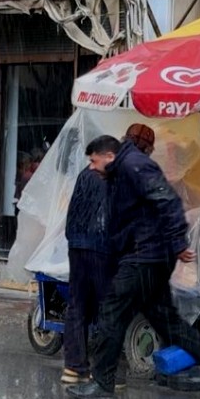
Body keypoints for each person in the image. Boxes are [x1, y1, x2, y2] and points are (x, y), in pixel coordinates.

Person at [67, 123, 200, 399]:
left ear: (109, 156)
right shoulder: (123, 170)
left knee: (111, 312)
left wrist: (177, 244)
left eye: (93, 161)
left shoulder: (135, 166)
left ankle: (102, 382)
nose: (91, 167)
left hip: (144, 257)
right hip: (147, 256)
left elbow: (168, 203)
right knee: (166, 322)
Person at [61, 135, 119, 385]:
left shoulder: (86, 175)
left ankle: (74, 367)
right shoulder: (110, 177)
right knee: (108, 308)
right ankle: (105, 370)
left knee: (77, 305)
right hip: (101, 248)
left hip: (77, 245)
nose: (92, 164)